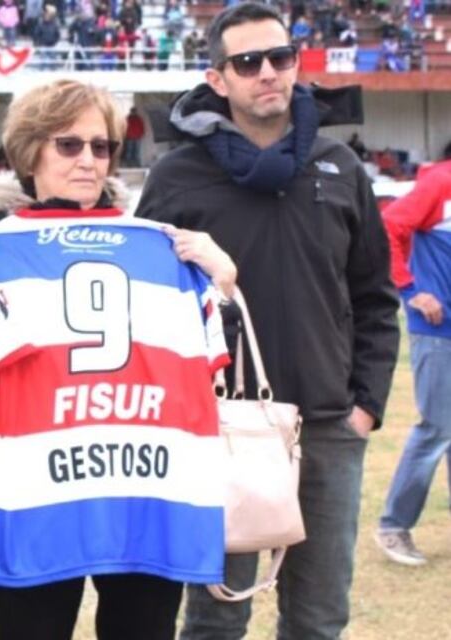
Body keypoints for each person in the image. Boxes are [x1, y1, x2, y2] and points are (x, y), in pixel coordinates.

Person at [0, 79, 238, 640]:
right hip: (36, 492)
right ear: (29, 152)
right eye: (68, 144)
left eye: (102, 146)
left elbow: (217, 368)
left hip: (143, 487)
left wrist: (224, 280)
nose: (89, 160)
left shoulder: (167, 249)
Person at [133, 4, 400, 638]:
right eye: (247, 62)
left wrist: (366, 404)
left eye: (280, 58)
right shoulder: (178, 176)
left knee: (318, 618)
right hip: (221, 427)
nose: (267, 74)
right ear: (218, 78)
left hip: (328, 428)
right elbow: (145, 304)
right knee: (215, 619)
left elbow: (374, 297)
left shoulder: (339, 166)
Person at [374, 148, 451, 566]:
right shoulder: (440, 184)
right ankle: (393, 526)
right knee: (438, 427)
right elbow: (387, 227)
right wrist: (410, 289)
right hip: (439, 329)